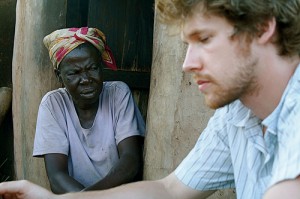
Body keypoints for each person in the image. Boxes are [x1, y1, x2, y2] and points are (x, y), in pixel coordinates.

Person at [0, 0, 300, 198]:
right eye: (187, 44)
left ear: (262, 28)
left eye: (204, 39)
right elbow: (168, 190)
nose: (187, 63)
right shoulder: (235, 116)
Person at [31, 27, 145, 193]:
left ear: (101, 67)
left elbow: (130, 161)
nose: (85, 79)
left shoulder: (118, 94)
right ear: (59, 75)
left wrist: (88, 198)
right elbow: (56, 176)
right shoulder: (53, 104)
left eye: (92, 68)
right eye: (74, 73)